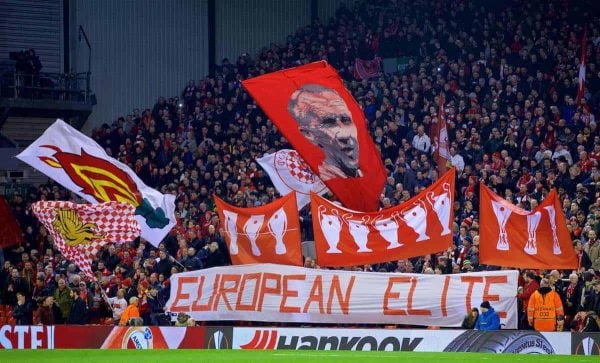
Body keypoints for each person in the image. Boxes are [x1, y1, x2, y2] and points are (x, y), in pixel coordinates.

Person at [288, 84, 362, 180]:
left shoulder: (364, 174)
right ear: (308, 134)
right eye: (329, 122)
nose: (345, 133)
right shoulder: (319, 185)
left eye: (346, 120)